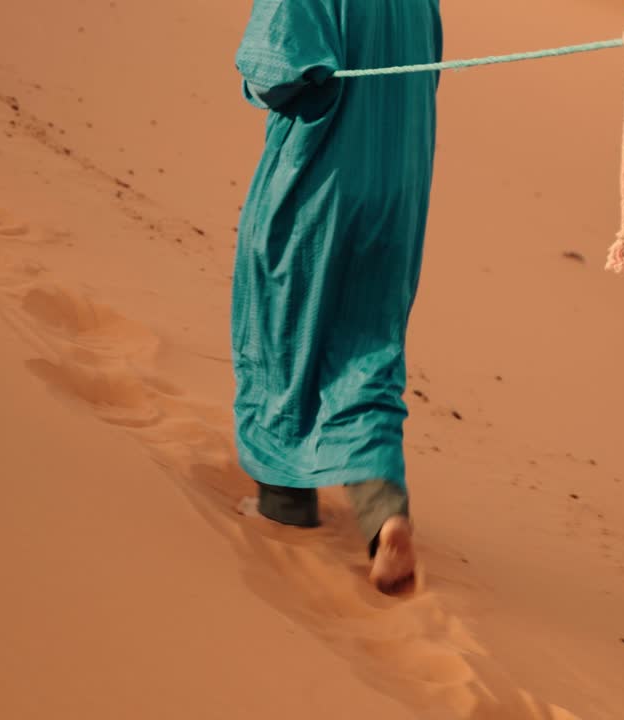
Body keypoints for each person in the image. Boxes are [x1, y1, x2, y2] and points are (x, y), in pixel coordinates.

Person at [231, 0, 443, 595]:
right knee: (367, 352)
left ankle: (286, 505)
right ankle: (384, 518)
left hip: (319, 182)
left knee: (283, 331)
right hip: (397, 188)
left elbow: (276, 70)